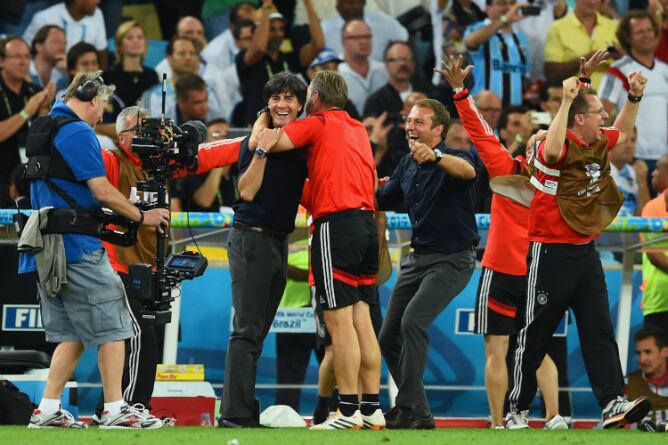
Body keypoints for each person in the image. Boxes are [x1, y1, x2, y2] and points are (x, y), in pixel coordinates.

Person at [505, 68, 652, 429]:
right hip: (550, 252)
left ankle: (612, 402)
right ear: (580, 119)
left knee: (598, 329)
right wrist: (568, 98)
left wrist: (634, 97)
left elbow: (624, 129)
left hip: (586, 251)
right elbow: (554, 150)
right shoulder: (550, 143)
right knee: (534, 334)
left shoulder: (596, 141)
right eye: (599, 113)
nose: (605, 117)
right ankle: (517, 411)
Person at [21, 72, 169, 429]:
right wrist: (142, 216)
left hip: (48, 244)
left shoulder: (44, 126)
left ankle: (47, 408)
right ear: (90, 98)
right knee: (117, 327)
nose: (101, 114)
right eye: (101, 104)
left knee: (73, 334)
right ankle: (115, 408)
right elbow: (101, 189)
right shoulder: (78, 131)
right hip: (78, 246)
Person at [436, 54, 566, 430]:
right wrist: (460, 92)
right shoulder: (521, 173)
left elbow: (481, 133)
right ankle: (512, 421)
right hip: (526, 272)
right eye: (535, 143)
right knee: (520, 349)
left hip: (515, 272)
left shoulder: (529, 176)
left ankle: (539, 418)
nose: (537, 149)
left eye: (544, 145)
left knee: (519, 349)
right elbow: (479, 131)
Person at [248, 70, 383, 430]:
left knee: (339, 326)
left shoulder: (318, 123)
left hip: (335, 226)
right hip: (367, 224)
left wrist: (264, 116)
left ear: (316, 98)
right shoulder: (357, 129)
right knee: (362, 322)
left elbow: (262, 142)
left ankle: (348, 411)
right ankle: (372, 409)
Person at [92, 105, 243, 424]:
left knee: (151, 341)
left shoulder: (161, 166)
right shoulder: (111, 161)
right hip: (117, 264)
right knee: (137, 338)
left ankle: (134, 407)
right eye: (139, 130)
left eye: (150, 128)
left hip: (151, 266)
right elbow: (87, 171)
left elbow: (210, 155)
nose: (148, 137)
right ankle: (125, 406)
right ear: (121, 136)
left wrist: (250, 142)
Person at [376, 97, 478, 430]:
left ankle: (404, 406)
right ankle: (419, 413)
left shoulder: (455, 157)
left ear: (438, 130)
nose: (410, 127)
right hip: (418, 258)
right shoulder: (406, 164)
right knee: (388, 335)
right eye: (409, 120)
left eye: (419, 122)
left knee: (413, 322)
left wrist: (436, 156)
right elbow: (379, 198)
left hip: (453, 260)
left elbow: (469, 171)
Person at [220, 72, 308, 429]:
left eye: (289, 98)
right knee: (246, 330)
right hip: (250, 238)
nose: (281, 105)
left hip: (277, 241)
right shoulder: (253, 142)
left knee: (255, 331)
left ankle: (242, 408)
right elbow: (246, 192)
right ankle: (235, 413)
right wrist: (260, 148)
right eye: (275, 98)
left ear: (301, 105)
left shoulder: (300, 140)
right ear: (267, 103)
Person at [600, 10, 668, 197]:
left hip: (664, 159)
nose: (647, 35)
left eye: (649, 29)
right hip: (631, 159)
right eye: (639, 32)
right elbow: (601, 116)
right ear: (628, 38)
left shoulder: (665, 70)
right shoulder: (617, 70)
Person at [236, 0, 323, 126]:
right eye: (272, 29)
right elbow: (260, 47)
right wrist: (266, 6)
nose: (278, 34)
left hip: (289, 129)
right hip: (258, 130)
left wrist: (308, 4)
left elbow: (318, 45)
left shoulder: (289, 58)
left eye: (281, 29)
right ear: (256, 31)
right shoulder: (246, 58)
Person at [0, 36, 56, 208]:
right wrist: (27, 112)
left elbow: (47, 136)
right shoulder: (32, 99)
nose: (24, 62)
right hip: (2, 174)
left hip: (32, 173)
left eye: (26, 57)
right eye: (17, 57)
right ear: (1, 61)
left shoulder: (35, 91)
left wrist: (44, 110)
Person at [463, 0, 531, 107]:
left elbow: (524, 74)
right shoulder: (477, 28)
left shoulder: (521, 37)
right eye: (501, 3)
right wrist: (504, 19)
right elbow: (471, 41)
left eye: (512, 3)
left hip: (512, 110)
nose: (509, 8)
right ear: (487, 8)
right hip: (484, 108)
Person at [141, 36, 223, 123]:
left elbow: (221, 125)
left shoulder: (210, 91)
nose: (188, 57)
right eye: (182, 53)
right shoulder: (153, 95)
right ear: (169, 58)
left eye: (192, 53)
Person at [543, 0, 619, 90]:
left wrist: (622, 56)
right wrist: (588, 60)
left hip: (608, 99)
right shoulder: (557, 28)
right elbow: (551, 73)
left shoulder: (615, 27)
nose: (593, 2)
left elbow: (631, 64)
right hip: (574, 100)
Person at [23, 0, 108, 68]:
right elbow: (24, 50)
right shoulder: (44, 18)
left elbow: (101, 52)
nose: (98, 1)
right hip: (50, 80)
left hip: (82, 80)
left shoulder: (97, 14)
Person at [321, 0, 408, 63]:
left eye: (359, 1)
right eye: (349, 2)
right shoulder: (325, 28)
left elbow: (404, 38)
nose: (355, 6)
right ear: (338, 7)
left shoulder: (381, 20)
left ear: (364, 3)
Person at [103, 21, 159, 112]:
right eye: (130, 38)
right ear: (120, 45)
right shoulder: (109, 76)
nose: (136, 41)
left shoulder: (152, 75)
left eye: (140, 37)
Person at [640, 154, 668, 334]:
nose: (653, 173)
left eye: (659, 168)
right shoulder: (652, 207)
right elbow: (655, 255)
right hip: (659, 300)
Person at [338, 19, 389, 117]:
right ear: (343, 42)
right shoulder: (335, 73)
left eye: (367, 37)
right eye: (356, 38)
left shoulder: (384, 70)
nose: (363, 42)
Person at [627, 325, 668, 424]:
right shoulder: (627, 384)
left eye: (648, 352)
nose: (642, 359)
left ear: (665, 352)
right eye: (639, 353)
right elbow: (608, 425)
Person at [154, 16, 208, 81]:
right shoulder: (163, 71)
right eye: (189, 32)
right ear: (177, 36)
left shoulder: (213, 64)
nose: (195, 37)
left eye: (199, 33)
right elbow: (164, 91)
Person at [29, 25, 67, 91]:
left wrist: (66, 71)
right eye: (56, 42)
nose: (62, 47)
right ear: (39, 46)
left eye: (64, 43)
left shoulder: (61, 77)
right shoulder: (23, 71)